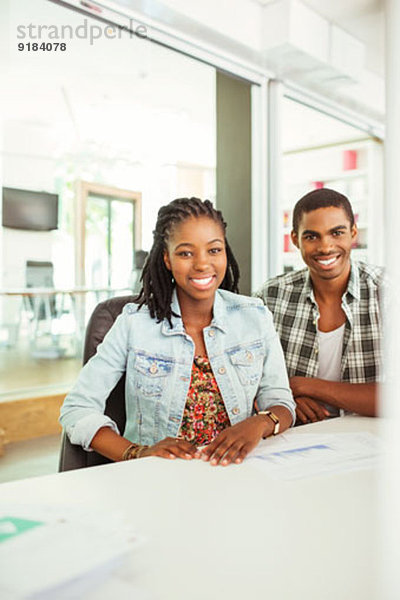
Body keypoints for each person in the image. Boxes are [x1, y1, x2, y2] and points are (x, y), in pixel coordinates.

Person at [60, 198, 295, 466]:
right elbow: (76, 408)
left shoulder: (255, 317)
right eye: (186, 253)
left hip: (235, 471)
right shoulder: (133, 324)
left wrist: (260, 424)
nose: (202, 264)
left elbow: (281, 402)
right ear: (167, 259)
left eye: (214, 250)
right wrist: (137, 452)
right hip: (159, 480)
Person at [256, 188, 383, 424]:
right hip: (297, 441)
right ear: (295, 239)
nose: (325, 247)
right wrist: (283, 400)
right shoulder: (271, 297)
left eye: (337, 233)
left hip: (374, 445)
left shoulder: (387, 293)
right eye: (312, 236)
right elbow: (249, 383)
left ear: (353, 233)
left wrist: (303, 386)